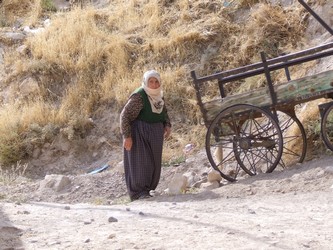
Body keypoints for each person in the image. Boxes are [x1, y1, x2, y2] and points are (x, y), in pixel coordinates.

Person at [120, 70, 172, 201]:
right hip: (139, 133)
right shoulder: (139, 96)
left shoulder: (159, 96)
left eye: (156, 82)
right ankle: (138, 192)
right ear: (145, 82)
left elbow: (164, 112)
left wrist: (167, 124)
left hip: (154, 134)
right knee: (141, 162)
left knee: (153, 162)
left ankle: (147, 189)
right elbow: (124, 115)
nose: (154, 85)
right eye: (151, 81)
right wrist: (127, 136)